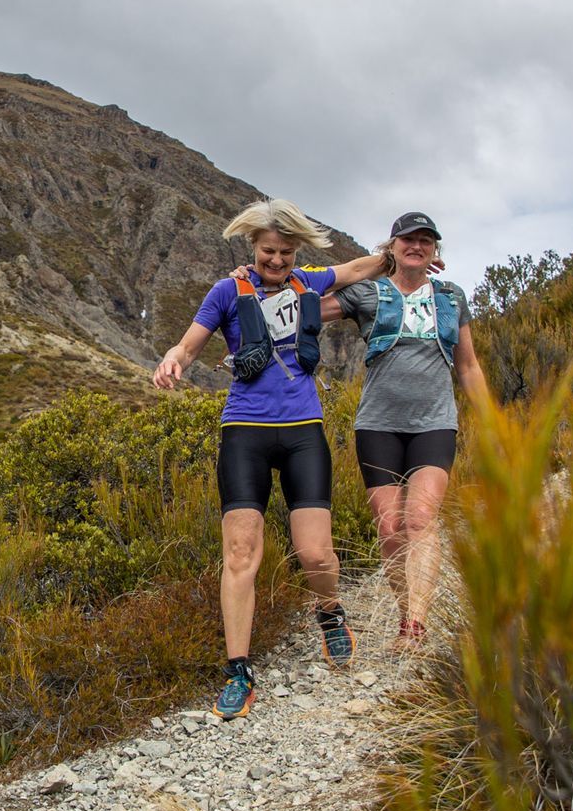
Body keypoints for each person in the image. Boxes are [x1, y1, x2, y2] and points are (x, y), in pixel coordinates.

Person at [152, 200, 393, 719]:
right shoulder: (226, 290)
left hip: (303, 431)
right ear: (252, 248)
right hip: (245, 431)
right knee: (240, 554)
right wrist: (173, 360)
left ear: (296, 252)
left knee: (316, 554)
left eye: (285, 252)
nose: (277, 261)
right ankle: (238, 668)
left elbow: (357, 269)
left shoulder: (309, 283)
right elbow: (190, 346)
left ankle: (330, 614)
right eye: (268, 252)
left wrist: (398, 255)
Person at [326, 211, 486, 649]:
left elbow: (469, 366)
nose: (417, 246)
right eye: (407, 240)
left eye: (426, 241)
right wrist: (373, 265)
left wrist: (494, 423)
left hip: (434, 423)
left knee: (420, 518)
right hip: (377, 425)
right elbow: (309, 308)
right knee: (390, 526)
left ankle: (416, 623)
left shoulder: (452, 297)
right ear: (392, 246)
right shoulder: (368, 293)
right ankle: (403, 613)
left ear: (436, 249)